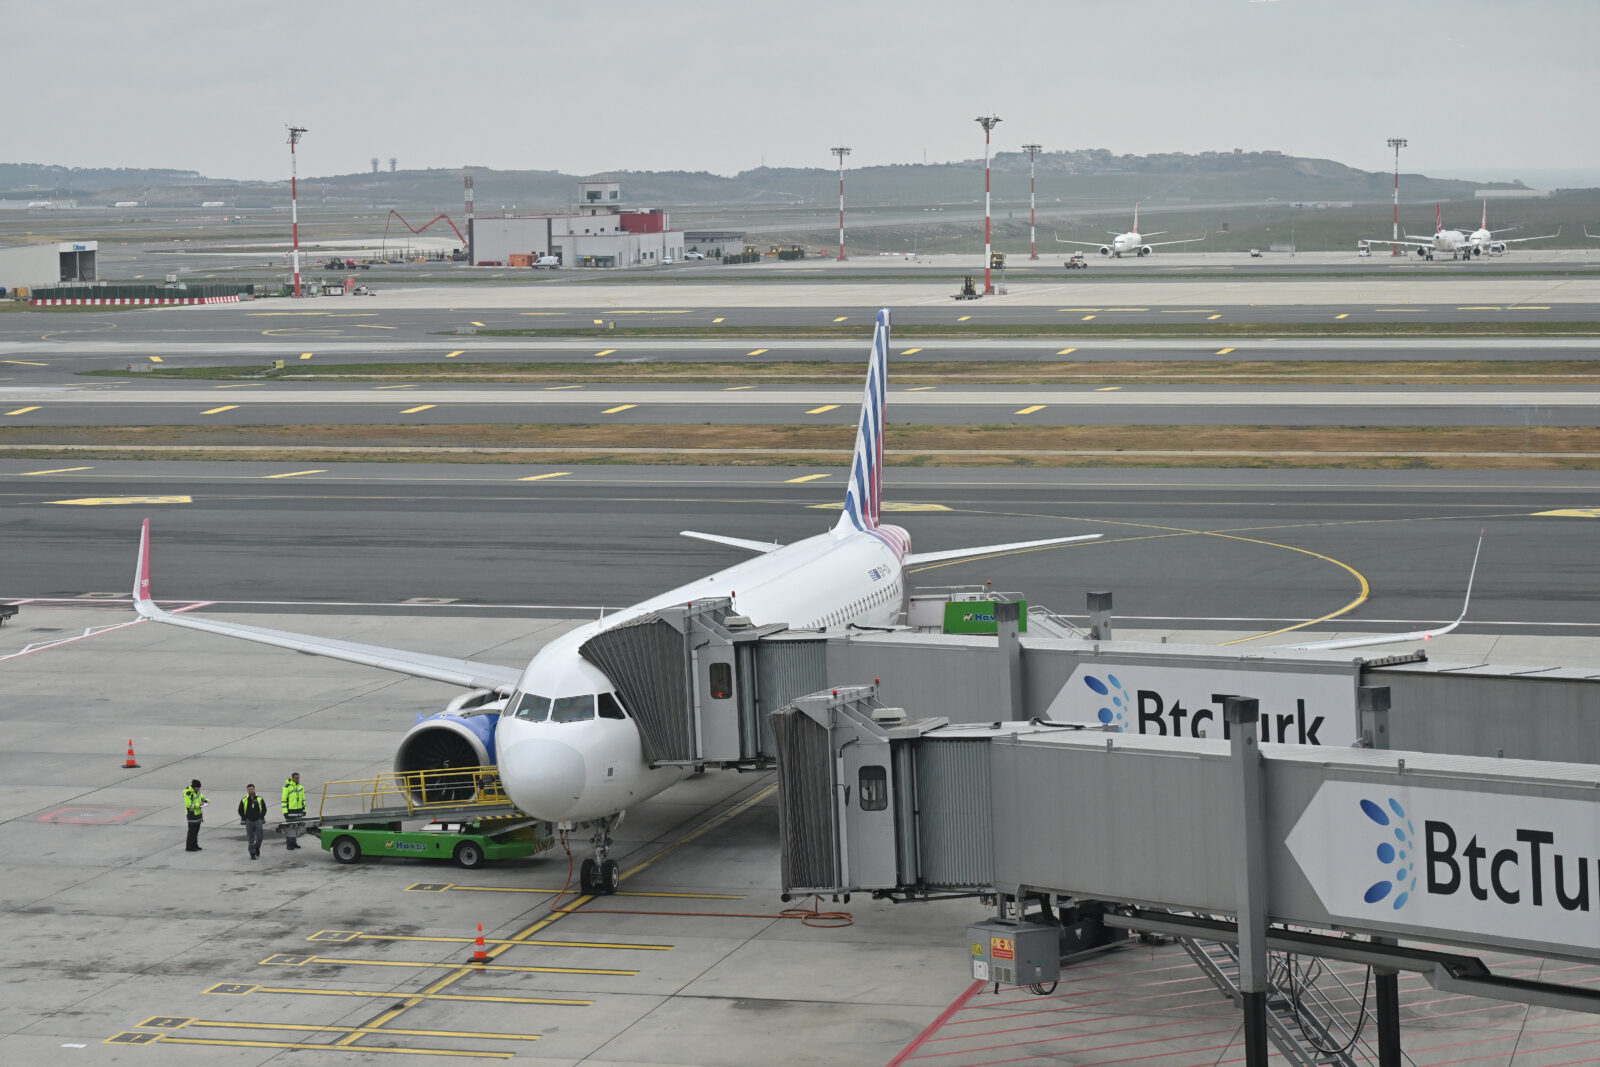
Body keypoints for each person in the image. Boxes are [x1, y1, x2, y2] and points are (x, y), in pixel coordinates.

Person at [239, 784, 268, 860]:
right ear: (247, 790)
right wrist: (245, 817)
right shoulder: (244, 800)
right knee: (250, 838)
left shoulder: (259, 799)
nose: (250, 790)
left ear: (254, 789)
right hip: (249, 821)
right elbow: (240, 810)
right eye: (249, 789)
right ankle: (252, 853)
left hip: (258, 820)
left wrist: (261, 817)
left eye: (251, 789)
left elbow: (264, 809)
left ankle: (257, 847)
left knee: (260, 837)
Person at [281, 771, 307, 850]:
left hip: (298, 811)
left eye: (298, 778)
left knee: (296, 828)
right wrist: (285, 812)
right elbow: (284, 800)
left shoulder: (300, 787)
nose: (297, 779)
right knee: (290, 828)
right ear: (292, 778)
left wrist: (304, 809)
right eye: (296, 778)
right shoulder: (287, 787)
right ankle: (289, 844)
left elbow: (303, 799)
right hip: (290, 811)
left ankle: (294, 843)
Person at [183, 779, 207, 851]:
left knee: (196, 831)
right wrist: (198, 804)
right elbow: (188, 805)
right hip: (192, 814)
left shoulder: (197, 792)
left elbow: (201, 797)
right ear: (194, 787)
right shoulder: (188, 793)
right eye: (198, 787)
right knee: (192, 831)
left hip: (198, 814)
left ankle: (195, 845)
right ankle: (189, 847)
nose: (199, 789)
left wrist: (205, 800)